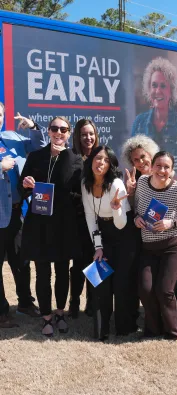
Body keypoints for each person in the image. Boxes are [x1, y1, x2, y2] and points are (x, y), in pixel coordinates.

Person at [20, 116, 83, 337]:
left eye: (63, 129)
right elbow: (22, 187)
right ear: (48, 131)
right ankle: (46, 317)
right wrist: (27, 185)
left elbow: (77, 194)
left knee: (62, 272)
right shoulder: (36, 156)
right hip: (39, 225)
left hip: (64, 226)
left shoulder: (75, 159)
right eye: (54, 128)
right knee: (43, 273)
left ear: (68, 132)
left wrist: (62, 156)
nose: (58, 132)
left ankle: (60, 313)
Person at [122, 134, 177, 301]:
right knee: (147, 283)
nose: (141, 162)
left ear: (151, 154)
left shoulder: (171, 176)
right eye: (136, 160)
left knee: (167, 284)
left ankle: (169, 312)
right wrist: (130, 192)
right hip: (145, 237)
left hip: (172, 238)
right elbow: (132, 207)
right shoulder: (134, 180)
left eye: (143, 156)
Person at [134, 151, 177, 340]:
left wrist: (171, 223)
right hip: (149, 247)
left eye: (166, 167)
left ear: (171, 170)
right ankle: (153, 329)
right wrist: (136, 218)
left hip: (174, 245)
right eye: (158, 166)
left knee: (164, 288)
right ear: (151, 167)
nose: (162, 170)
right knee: (145, 288)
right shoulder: (142, 183)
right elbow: (137, 207)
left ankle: (171, 331)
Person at [81, 145, 138, 340]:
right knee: (100, 281)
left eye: (105, 160)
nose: (101, 163)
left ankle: (125, 326)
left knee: (122, 283)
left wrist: (116, 207)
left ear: (110, 164)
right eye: (98, 158)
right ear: (91, 161)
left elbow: (121, 224)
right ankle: (101, 328)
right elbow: (90, 216)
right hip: (103, 233)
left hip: (124, 232)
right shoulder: (85, 184)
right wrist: (98, 247)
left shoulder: (116, 185)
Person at [0, 102, 44, 329]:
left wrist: (33, 127)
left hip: (17, 214)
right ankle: (1, 312)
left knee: (22, 261)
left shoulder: (12, 137)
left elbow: (39, 147)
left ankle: (25, 302)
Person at [131, 57, 177, 157]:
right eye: (154, 85)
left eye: (163, 86)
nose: (157, 91)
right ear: (149, 88)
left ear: (171, 90)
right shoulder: (139, 122)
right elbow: (132, 158)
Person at [68, 119, 99, 318]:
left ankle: (93, 301)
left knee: (96, 262)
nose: (88, 138)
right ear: (77, 137)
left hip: (99, 222)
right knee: (79, 264)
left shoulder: (101, 156)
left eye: (91, 134)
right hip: (78, 221)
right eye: (83, 134)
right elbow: (67, 190)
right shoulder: (70, 158)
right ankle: (74, 300)